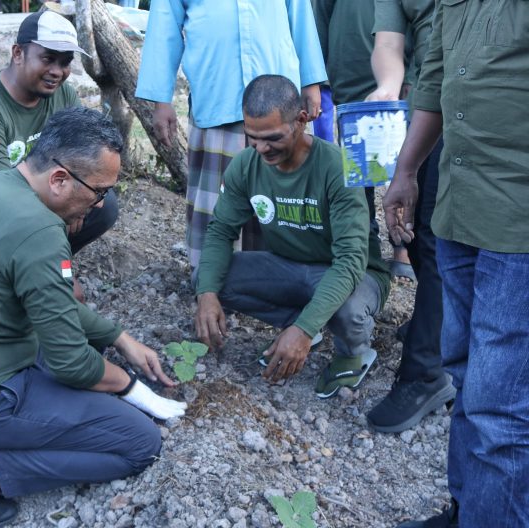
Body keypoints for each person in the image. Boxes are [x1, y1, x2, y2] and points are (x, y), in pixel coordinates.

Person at [0, 107, 186, 528]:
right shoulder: (39, 233)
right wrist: (135, 391)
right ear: (59, 179)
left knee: (90, 357)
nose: (101, 203)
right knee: (139, 442)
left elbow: (49, 308)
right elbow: (71, 361)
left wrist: (117, 336)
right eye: (99, 191)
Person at [387, 2, 529, 527]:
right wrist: (406, 169)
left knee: (502, 407)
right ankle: (470, 510)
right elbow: (435, 78)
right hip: (459, 210)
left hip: (519, 229)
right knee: (467, 376)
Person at [194, 75, 390, 398]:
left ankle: (352, 353)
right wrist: (207, 295)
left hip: (352, 273)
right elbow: (220, 231)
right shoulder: (247, 165)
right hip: (290, 266)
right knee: (208, 277)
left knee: (348, 311)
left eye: (271, 137)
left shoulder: (337, 169)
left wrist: (302, 330)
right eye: (252, 137)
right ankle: (308, 322)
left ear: (301, 121)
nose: (260, 148)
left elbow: (351, 262)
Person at [135, 0, 327, 271]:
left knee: (280, 192)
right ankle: (211, 273)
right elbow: (163, 25)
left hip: (278, 95)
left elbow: (301, 16)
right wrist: (161, 100)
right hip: (217, 92)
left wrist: (311, 81)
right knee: (218, 196)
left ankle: (277, 271)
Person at [0, 9, 117, 244]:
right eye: (47, 58)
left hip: (22, 194)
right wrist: (63, 209)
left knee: (101, 205)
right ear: (18, 53)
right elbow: (2, 195)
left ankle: (43, 263)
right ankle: (20, 270)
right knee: (23, 221)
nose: (57, 71)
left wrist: (76, 203)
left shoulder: (63, 94)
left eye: (65, 62)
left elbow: (85, 156)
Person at [362, 0, 455, 434]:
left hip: (484, 110)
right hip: (426, 109)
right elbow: (389, 42)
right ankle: (435, 328)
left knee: (440, 243)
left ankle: (425, 372)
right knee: (416, 233)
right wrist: (389, 84)